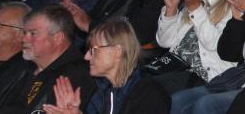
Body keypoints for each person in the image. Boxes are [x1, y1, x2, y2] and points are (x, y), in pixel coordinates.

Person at [42, 20, 171, 114]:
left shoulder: (150, 96)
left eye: (94, 50)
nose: (86, 57)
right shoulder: (98, 90)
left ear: (117, 51)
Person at [0, 5, 97, 114]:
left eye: (33, 34)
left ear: (57, 38)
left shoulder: (76, 74)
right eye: (24, 33)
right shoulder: (22, 63)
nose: (24, 39)